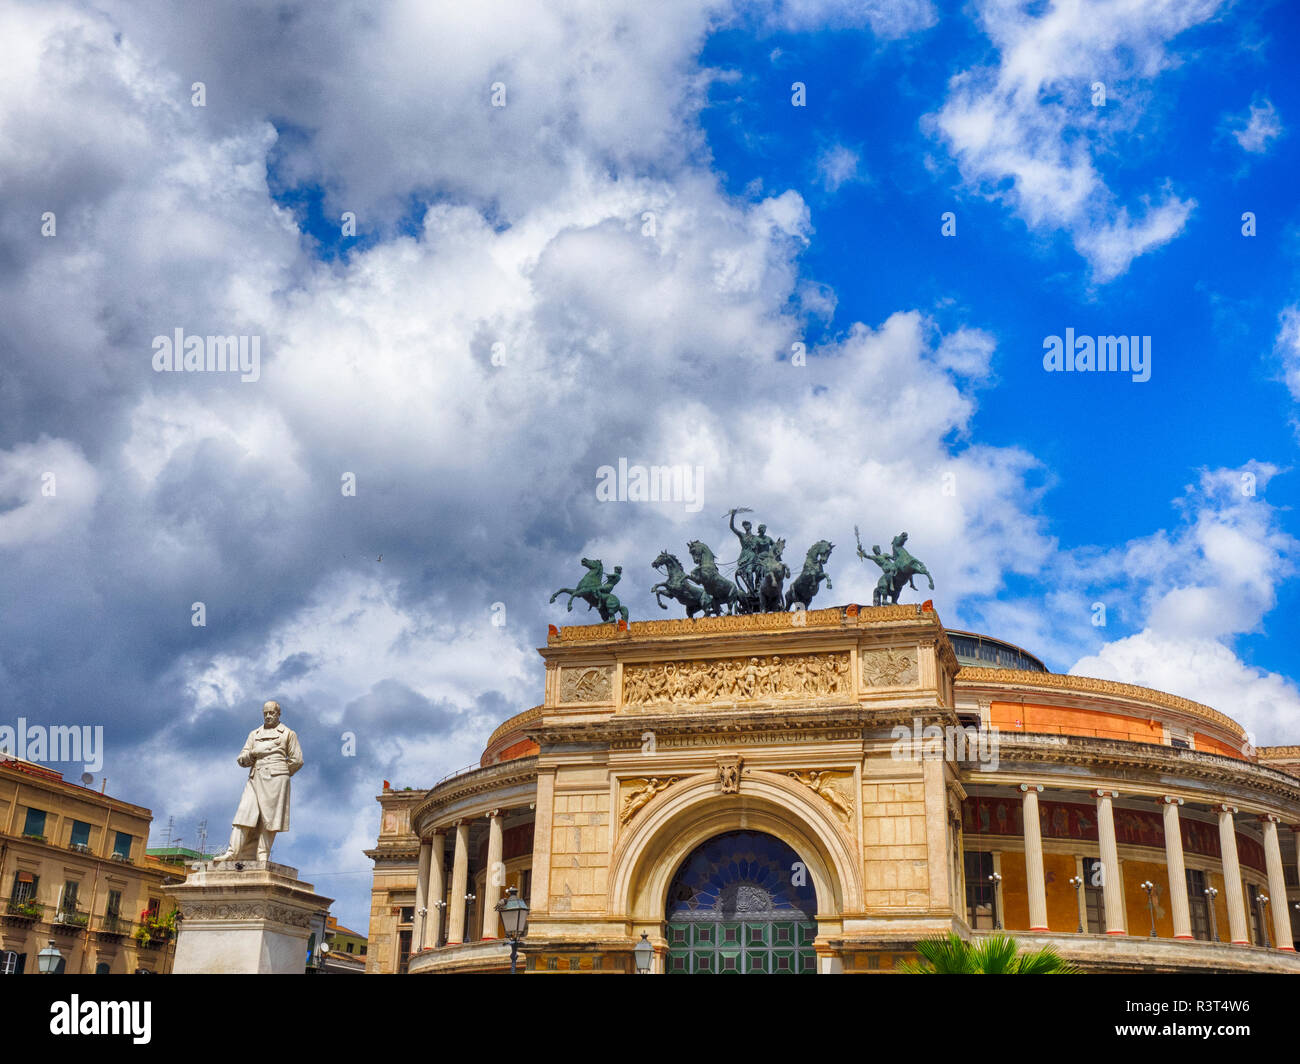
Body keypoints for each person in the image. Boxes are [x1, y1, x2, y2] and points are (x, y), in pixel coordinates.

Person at [214, 700, 303, 863]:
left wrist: (280, 772)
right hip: (255, 777)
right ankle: (232, 852)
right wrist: (253, 753)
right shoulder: (254, 734)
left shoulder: (288, 734)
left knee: (269, 819)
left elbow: (297, 760)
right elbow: (241, 759)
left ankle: (262, 855)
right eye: (265, 713)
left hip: (276, 778)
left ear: (278, 714)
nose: (268, 716)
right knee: (243, 813)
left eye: (272, 713)